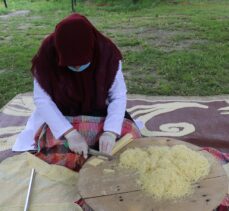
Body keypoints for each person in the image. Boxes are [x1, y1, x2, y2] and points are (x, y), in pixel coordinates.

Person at [12, 13, 141, 171]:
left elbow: (118, 96)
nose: (78, 69)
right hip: (63, 112)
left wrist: (110, 132)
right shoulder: (47, 55)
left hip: (99, 110)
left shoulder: (106, 53)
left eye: (83, 63)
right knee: (55, 150)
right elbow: (42, 100)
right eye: (72, 64)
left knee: (130, 140)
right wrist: (70, 134)